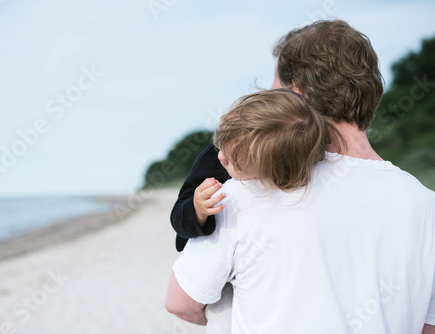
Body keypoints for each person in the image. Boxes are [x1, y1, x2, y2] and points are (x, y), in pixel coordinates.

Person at [166, 19, 435, 333]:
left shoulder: (248, 192)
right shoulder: (425, 205)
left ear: (296, 94)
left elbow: (181, 303)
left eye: (275, 85)